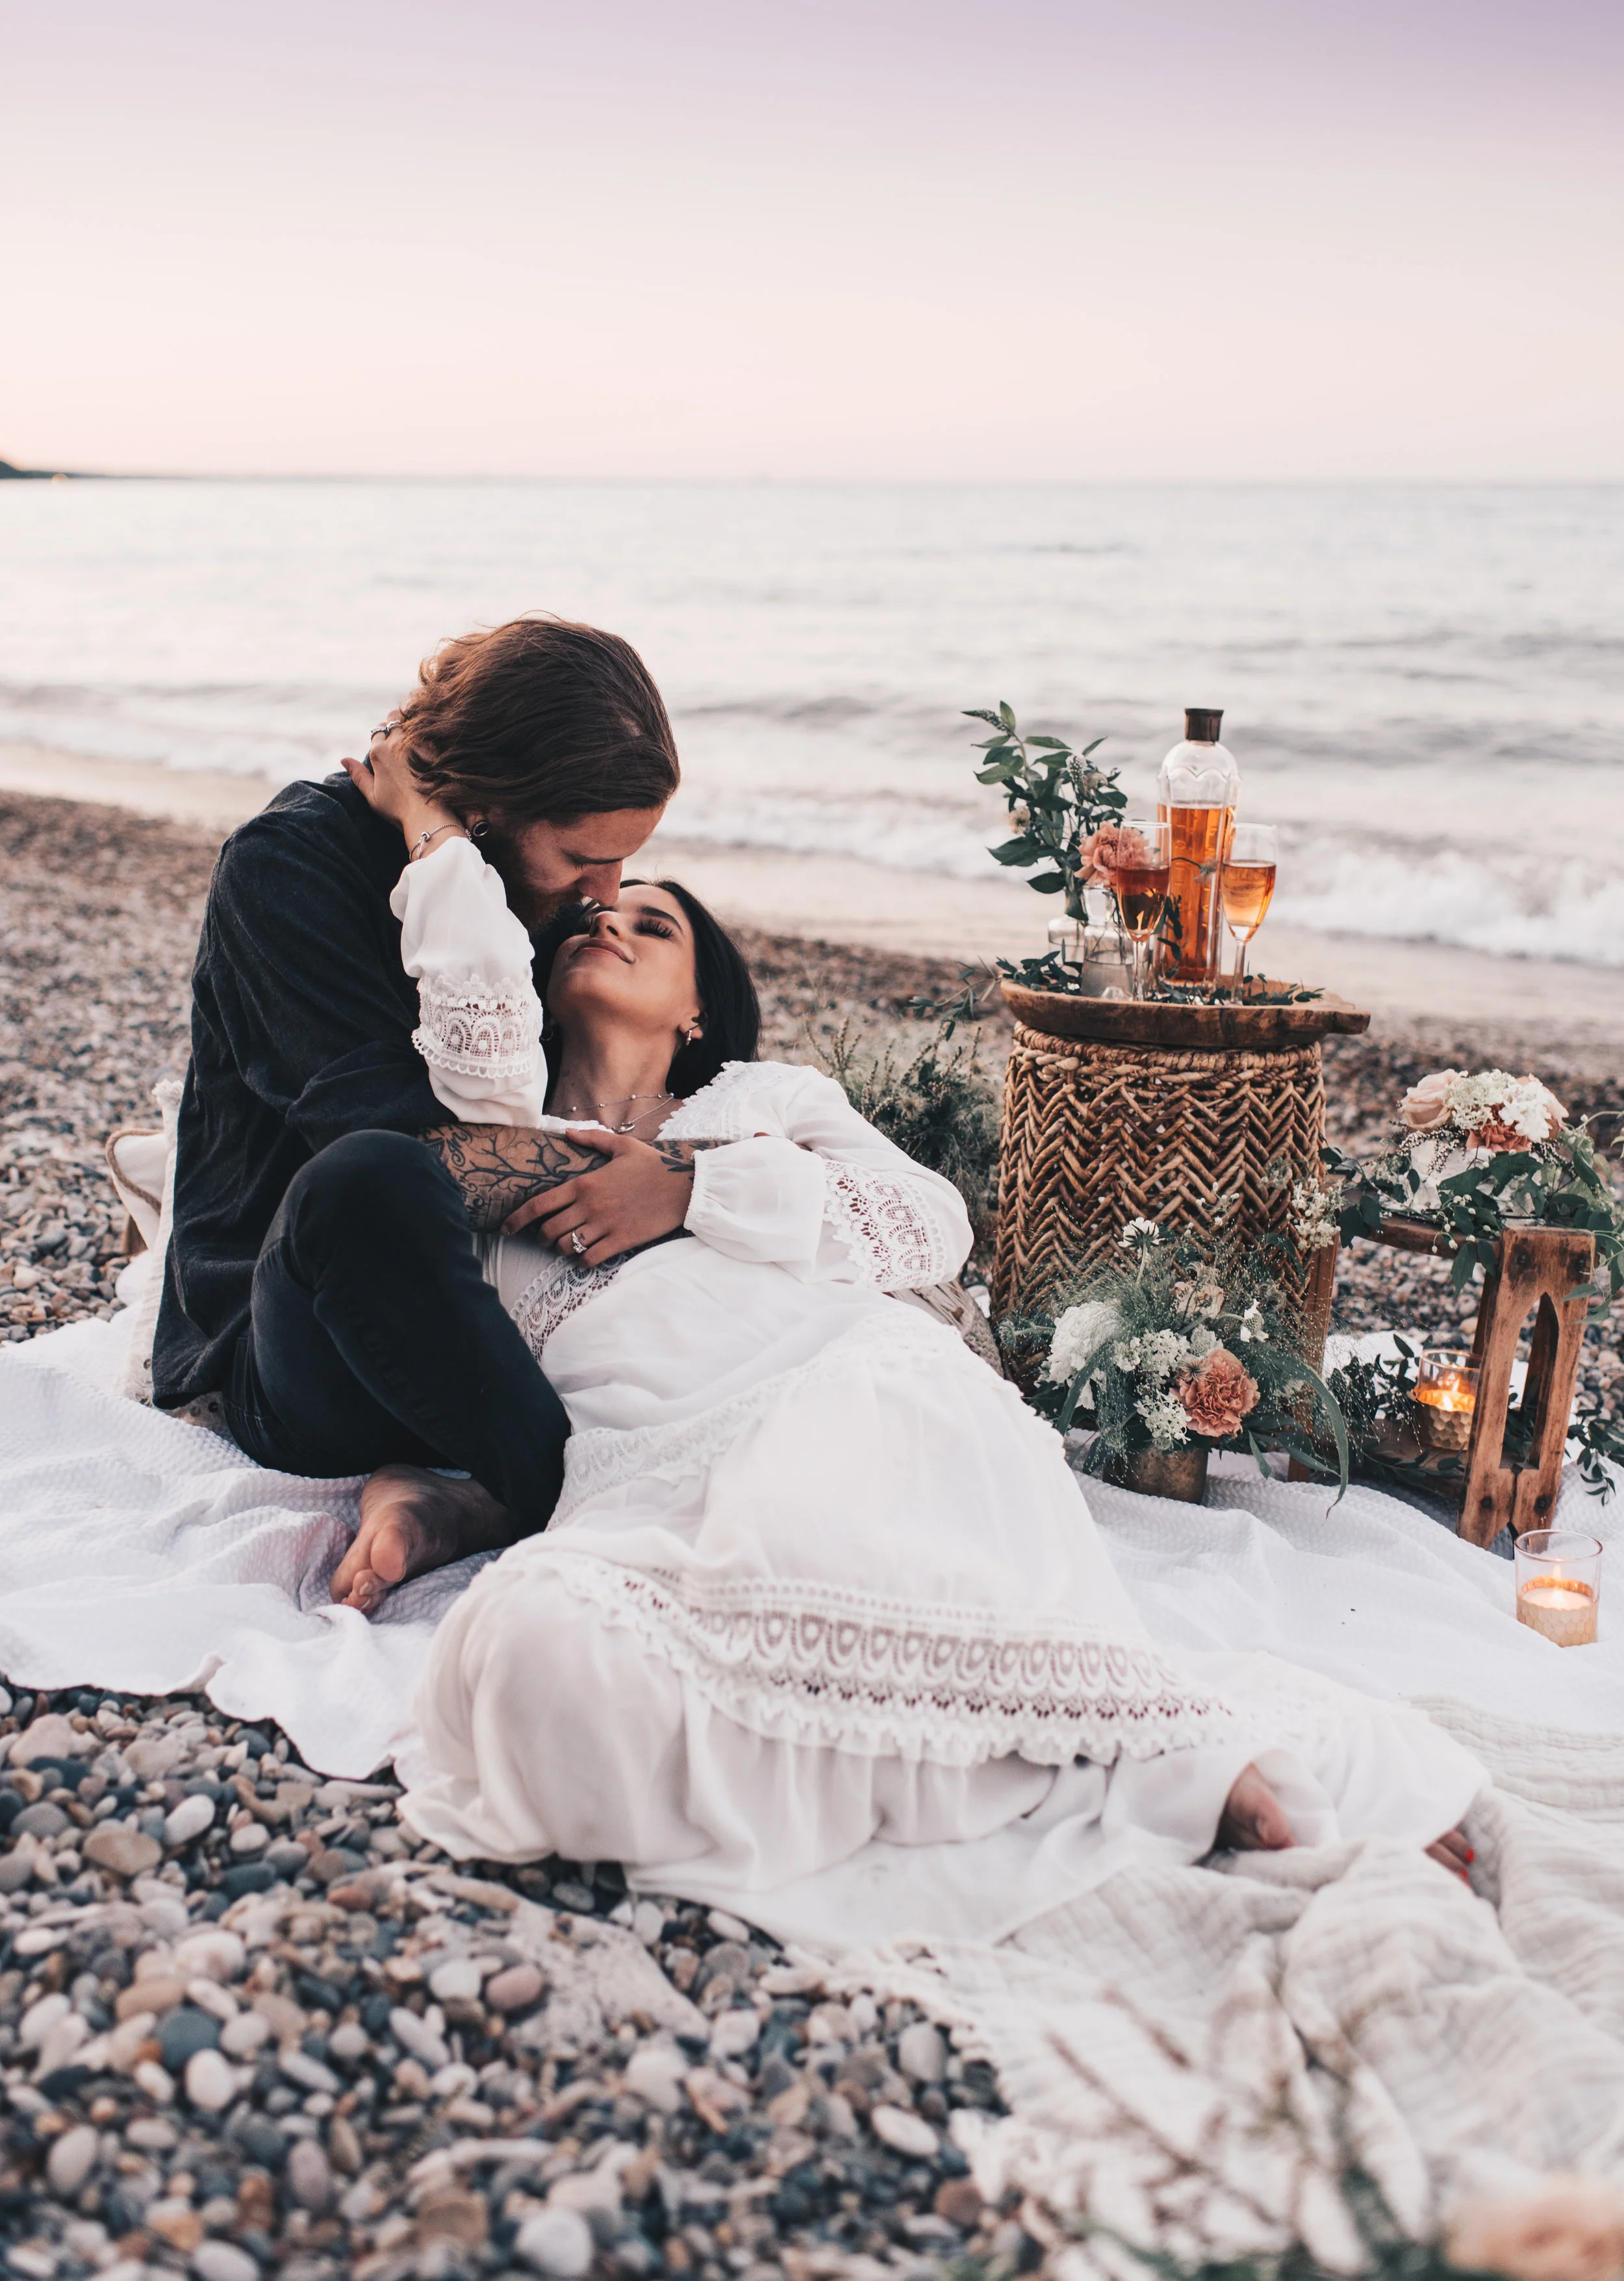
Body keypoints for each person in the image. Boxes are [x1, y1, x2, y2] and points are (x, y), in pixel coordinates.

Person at [344, 745, 1484, 1950]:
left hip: (851, 1392)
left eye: (654, 920)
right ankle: (974, 1761)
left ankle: (1150, 1746)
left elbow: (930, 1224)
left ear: (697, 1009)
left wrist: (694, 1193)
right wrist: (430, 830)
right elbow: (465, 1065)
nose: (611, 919)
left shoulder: (760, 1103)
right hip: (647, 1476)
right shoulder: (499, 1134)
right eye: (592, 907)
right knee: (530, 1664)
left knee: (857, 1465)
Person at [153, 615, 691, 1603]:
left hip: (480, 1316)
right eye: (584, 857)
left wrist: (687, 1182)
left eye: (626, 861)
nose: (605, 893)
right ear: (485, 807)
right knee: (371, 1175)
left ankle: (468, 1496)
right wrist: (661, 1188)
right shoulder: (287, 869)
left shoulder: (536, 897)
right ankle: (567, 1495)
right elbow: (417, 1145)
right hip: (296, 1344)